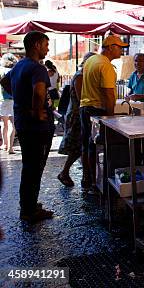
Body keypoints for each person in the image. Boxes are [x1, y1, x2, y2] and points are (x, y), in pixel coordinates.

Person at [0, 31, 55, 223]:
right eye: (46, 44)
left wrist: (20, 96)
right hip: (36, 127)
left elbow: (5, 82)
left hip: (23, 123)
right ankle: (29, 211)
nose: (48, 48)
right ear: (37, 45)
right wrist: (37, 111)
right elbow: (39, 92)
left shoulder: (19, 65)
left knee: (29, 166)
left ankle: (29, 204)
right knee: (35, 167)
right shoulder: (37, 68)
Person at [80, 35, 127, 191]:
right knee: (99, 147)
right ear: (111, 47)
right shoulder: (105, 65)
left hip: (85, 107)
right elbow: (108, 94)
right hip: (97, 110)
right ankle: (98, 182)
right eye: (119, 47)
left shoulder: (91, 60)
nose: (122, 50)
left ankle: (88, 179)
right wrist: (111, 118)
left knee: (89, 145)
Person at [57, 52, 96, 188]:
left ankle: (84, 175)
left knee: (81, 146)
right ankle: (66, 173)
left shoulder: (85, 75)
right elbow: (81, 99)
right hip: (76, 115)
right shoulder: (80, 76)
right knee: (77, 147)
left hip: (79, 114)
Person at [0, 53, 18, 155]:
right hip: (13, 99)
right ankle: (10, 147)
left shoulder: (1, 70)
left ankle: (4, 144)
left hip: (1, 100)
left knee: (3, 123)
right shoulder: (14, 71)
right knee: (12, 124)